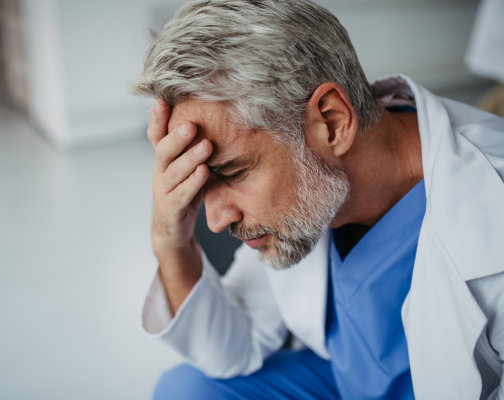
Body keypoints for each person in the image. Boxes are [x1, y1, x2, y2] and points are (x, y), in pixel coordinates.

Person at [131, 1, 504, 399]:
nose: (216, 222)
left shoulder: (489, 207)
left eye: (235, 172)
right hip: (342, 381)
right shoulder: (314, 191)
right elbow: (234, 345)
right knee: (187, 390)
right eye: (202, 184)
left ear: (331, 121)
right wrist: (171, 243)